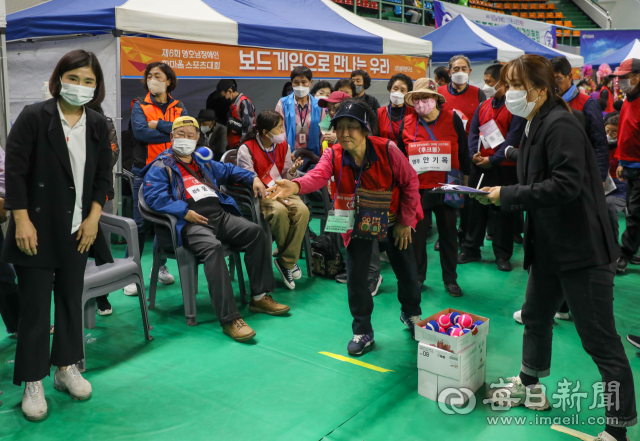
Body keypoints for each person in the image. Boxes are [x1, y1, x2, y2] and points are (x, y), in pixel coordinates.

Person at [478, 55, 635, 441]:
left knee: (600, 340)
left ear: (540, 89)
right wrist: (508, 159)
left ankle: (617, 430)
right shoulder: (535, 121)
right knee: (535, 315)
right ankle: (530, 386)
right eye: (508, 85)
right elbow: (536, 164)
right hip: (550, 244)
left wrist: (507, 195)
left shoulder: (561, 123)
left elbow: (564, 184)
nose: (510, 92)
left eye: (517, 85)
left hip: (581, 249)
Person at [3, 49, 113, 421]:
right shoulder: (34, 117)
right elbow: (15, 173)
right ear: (58, 78)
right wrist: (20, 220)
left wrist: (94, 218)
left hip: (78, 229)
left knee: (70, 299)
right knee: (35, 308)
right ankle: (33, 380)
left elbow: (102, 178)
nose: (80, 86)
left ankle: (66, 366)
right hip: (34, 228)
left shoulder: (98, 124)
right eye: (74, 78)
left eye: (89, 81)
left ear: (96, 87)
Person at [266, 99, 423, 356]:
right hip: (357, 221)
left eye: (353, 126)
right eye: (340, 127)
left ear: (365, 130)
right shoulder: (334, 153)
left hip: (394, 219)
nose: (345, 133)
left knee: (406, 272)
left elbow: (410, 183)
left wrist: (405, 222)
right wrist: (295, 185)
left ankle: (412, 314)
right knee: (357, 278)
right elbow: (318, 175)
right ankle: (362, 330)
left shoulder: (388, 150)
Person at [143, 116, 290, 342]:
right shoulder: (161, 166)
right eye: (180, 134)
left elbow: (230, 170)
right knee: (213, 248)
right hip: (192, 223)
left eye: (190, 135)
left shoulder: (202, 163)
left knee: (256, 233)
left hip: (219, 216)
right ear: (171, 137)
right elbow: (154, 197)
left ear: (198, 139)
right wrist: (184, 211)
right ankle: (230, 318)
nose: (185, 139)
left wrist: (252, 178)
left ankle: (260, 297)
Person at [400, 78, 471, 296]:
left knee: (449, 234)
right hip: (419, 188)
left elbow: (464, 152)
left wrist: (465, 186)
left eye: (426, 97)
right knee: (418, 236)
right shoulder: (408, 123)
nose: (422, 103)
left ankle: (450, 279)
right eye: (417, 98)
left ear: (436, 99)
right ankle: (418, 277)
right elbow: (402, 158)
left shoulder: (452, 119)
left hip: (450, 184)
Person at [458, 64, 526, 272]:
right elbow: (472, 133)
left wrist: (493, 160)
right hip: (481, 166)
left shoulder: (515, 108)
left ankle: (502, 255)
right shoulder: (484, 106)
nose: (486, 86)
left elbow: (513, 138)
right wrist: (473, 154)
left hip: (504, 168)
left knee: (501, 213)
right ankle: (471, 249)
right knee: (475, 210)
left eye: (489, 82)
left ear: (502, 83)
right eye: (485, 82)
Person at [127, 61, 183, 295]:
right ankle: (130, 273)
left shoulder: (179, 106)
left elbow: (187, 131)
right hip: (144, 171)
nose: (153, 79)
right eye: (150, 76)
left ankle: (159, 267)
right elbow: (141, 132)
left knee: (165, 220)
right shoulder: (139, 105)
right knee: (138, 225)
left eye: (158, 76)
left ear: (168, 80)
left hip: (171, 171)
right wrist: (171, 133)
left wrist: (159, 124)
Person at [237, 111, 308, 289]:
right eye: (278, 128)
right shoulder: (247, 148)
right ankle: (289, 260)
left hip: (281, 190)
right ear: (265, 132)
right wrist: (268, 193)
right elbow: (247, 178)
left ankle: (285, 262)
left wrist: (292, 171)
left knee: (302, 211)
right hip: (260, 194)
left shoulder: (283, 145)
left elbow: (285, 176)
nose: (282, 131)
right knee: (280, 212)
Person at [552, 57, 609, 182]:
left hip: (583, 173)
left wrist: (600, 177)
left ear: (570, 76)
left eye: (558, 79)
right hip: (556, 174)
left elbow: (599, 143)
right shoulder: (550, 104)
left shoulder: (588, 104)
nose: (554, 84)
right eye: (550, 80)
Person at [86, 103, 120, 316]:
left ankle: (102, 297)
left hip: (102, 191)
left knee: (102, 243)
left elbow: (111, 157)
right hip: (73, 196)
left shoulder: (107, 125)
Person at [612, 58, 640, 274]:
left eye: (624, 77)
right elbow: (624, 132)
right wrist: (621, 161)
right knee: (633, 210)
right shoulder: (628, 101)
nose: (620, 81)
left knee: (634, 212)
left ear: (637, 77)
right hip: (629, 165)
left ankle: (626, 252)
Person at [275, 66, 324, 156]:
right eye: (296, 82)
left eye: (304, 82)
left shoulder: (319, 105)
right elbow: (279, 131)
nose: (300, 86)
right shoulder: (282, 103)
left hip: (314, 156)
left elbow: (323, 134)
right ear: (292, 83)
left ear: (310, 83)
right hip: (290, 155)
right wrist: (286, 152)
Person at [438, 54, 486, 136]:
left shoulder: (478, 93)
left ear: (469, 71)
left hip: (469, 143)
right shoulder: (439, 92)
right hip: (445, 141)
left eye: (464, 69)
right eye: (456, 69)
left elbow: (484, 120)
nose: (460, 72)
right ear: (449, 72)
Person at [377, 73, 415, 146]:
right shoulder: (380, 113)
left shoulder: (413, 113)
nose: (398, 93)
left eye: (402, 90)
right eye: (395, 89)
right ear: (390, 89)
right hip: (385, 155)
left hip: (406, 155)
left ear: (407, 93)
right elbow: (375, 139)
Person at [218, 79, 255, 150]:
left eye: (223, 95)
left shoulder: (244, 102)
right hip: (232, 146)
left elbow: (249, 129)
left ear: (229, 91)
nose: (222, 98)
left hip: (241, 147)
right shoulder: (233, 104)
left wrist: (242, 147)